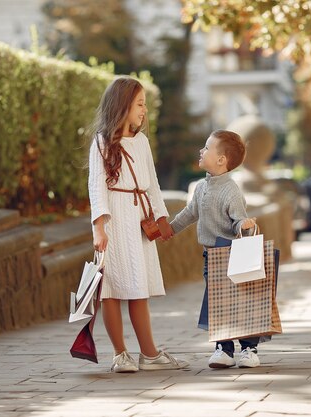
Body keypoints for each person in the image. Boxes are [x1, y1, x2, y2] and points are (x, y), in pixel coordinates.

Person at [88, 76, 188, 373]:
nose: (144, 111)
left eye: (145, 105)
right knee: (112, 289)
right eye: (140, 104)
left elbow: (153, 184)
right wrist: (99, 227)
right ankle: (121, 354)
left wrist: (161, 217)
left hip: (139, 220)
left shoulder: (142, 142)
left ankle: (149, 354)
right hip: (114, 220)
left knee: (138, 287)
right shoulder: (102, 142)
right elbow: (96, 186)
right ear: (122, 106)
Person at [170, 130, 260, 369]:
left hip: (234, 254)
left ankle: (249, 349)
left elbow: (238, 219)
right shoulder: (201, 187)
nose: (202, 150)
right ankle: (224, 349)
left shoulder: (231, 190)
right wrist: (170, 230)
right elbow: (190, 213)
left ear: (221, 160)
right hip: (212, 256)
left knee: (243, 301)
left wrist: (245, 225)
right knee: (217, 302)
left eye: (207, 147)